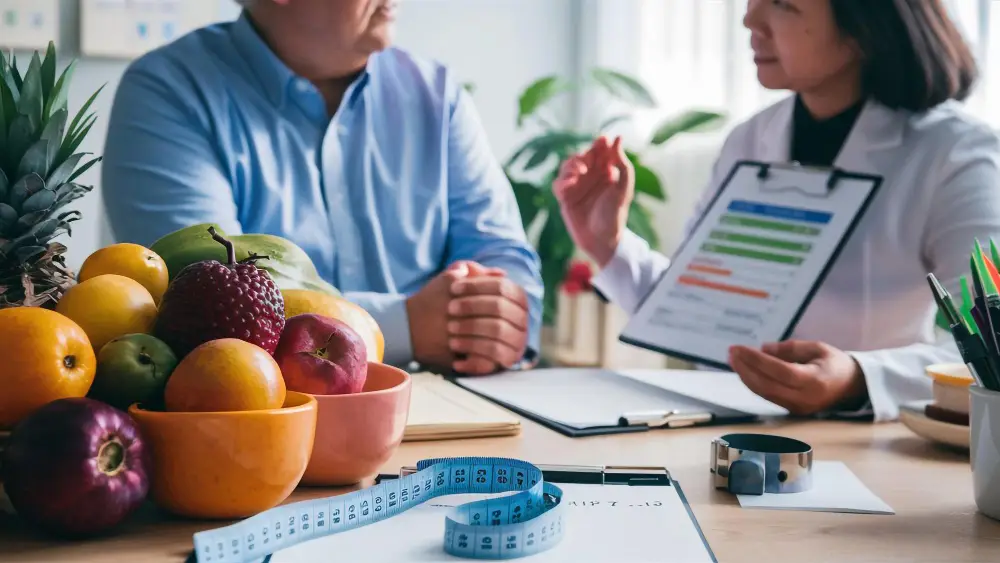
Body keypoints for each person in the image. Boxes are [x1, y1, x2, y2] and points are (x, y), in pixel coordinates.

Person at [554, 0, 1000, 422]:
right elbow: (692, 312)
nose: (751, 18)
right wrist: (609, 245)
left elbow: (992, 346)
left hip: (865, 443)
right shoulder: (749, 140)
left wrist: (859, 377)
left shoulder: (956, 155)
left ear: (864, 26)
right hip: (721, 424)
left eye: (784, 2)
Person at [101, 0, 543, 375]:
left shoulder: (438, 95)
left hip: (463, 423)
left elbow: (506, 260)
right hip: (263, 436)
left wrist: (500, 316)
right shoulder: (168, 93)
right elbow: (210, 305)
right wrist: (407, 327)